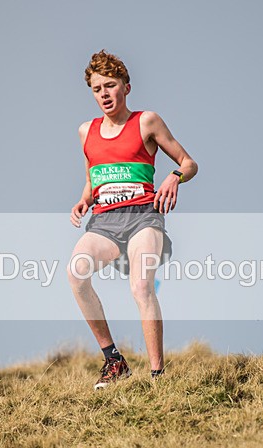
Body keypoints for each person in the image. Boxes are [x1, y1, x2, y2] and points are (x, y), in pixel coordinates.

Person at [67, 50, 198, 390]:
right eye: (97, 89)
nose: (104, 94)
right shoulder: (86, 131)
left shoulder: (146, 121)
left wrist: (173, 177)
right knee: (76, 274)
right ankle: (114, 360)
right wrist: (83, 200)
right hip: (104, 222)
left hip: (143, 219)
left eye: (110, 86)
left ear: (126, 87)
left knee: (141, 286)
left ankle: (158, 377)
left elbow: (188, 163)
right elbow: (93, 178)